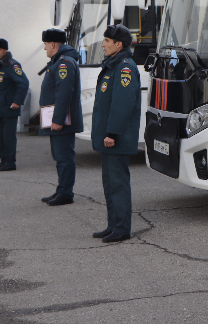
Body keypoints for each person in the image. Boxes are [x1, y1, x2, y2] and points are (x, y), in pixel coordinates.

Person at [91, 24, 140, 244]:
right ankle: (113, 225)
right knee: (110, 184)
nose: (103, 45)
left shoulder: (124, 67)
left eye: (107, 41)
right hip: (109, 138)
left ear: (118, 44)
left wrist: (112, 133)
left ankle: (121, 228)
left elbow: (122, 104)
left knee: (118, 184)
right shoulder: (113, 65)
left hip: (116, 138)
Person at [39, 28, 83, 206]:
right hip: (58, 118)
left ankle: (66, 193)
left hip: (63, 120)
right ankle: (61, 190)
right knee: (59, 156)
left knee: (64, 157)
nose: (44, 48)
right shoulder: (59, 61)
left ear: (52, 44)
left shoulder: (64, 63)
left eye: (45, 44)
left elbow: (64, 94)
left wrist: (57, 120)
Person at [0, 38, 29, 172]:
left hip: (9, 108)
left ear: (5, 50)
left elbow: (23, 83)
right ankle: (3, 160)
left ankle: (10, 162)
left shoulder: (12, 65)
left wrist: (17, 102)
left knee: (8, 137)